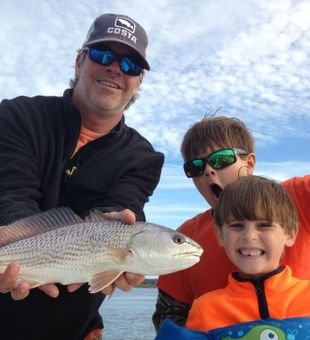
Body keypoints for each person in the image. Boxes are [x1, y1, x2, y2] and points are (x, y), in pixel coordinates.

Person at [0, 13, 164, 340]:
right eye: (103, 55)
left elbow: (123, 206)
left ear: (138, 82)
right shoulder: (16, 116)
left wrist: (122, 227)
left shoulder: (143, 157)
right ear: (79, 62)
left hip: (71, 328)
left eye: (131, 65)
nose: (115, 68)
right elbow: (11, 195)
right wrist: (17, 254)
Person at [153, 115, 310, 331]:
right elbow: (168, 316)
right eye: (195, 166)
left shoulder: (296, 197)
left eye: (221, 159)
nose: (209, 170)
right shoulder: (183, 240)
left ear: (250, 163)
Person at [186, 175, 310, 331]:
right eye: (237, 226)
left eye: (264, 225)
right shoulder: (204, 310)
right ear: (220, 235)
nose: (249, 236)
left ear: (290, 234)